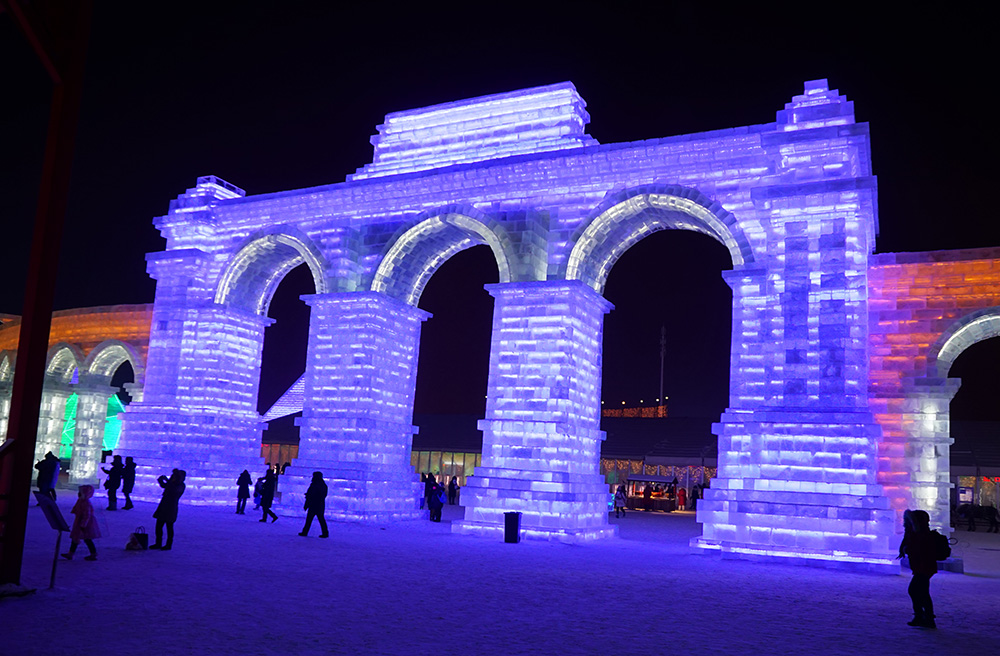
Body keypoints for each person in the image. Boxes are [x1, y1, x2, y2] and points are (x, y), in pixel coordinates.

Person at [901, 509, 938, 628]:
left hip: (924, 567)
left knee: (915, 590)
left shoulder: (920, 535)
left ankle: (924, 617)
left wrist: (907, 549)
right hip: (923, 567)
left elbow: (918, 550)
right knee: (921, 592)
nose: (904, 524)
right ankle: (925, 617)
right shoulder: (918, 533)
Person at [61, 485, 100, 561]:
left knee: (87, 539)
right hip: (79, 522)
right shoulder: (81, 501)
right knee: (75, 538)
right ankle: (71, 553)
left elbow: (87, 515)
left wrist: (83, 524)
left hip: (85, 524)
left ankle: (93, 553)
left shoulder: (86, 503)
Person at [150, 469, 186, 550]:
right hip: (166, 506)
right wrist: (162, 480)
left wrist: (166, 481)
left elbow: (172, 489)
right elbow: (165, 486)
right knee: (159, 526)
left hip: (170, 507)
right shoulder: (176, 484)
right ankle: (159, 543)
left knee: (169, 527)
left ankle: (168, 545)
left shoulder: (180, 485)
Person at [299, 471, 329, 538]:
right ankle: (325, 533)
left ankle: (305, 532)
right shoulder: (323, 485)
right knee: (320, 519)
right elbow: (323, 495)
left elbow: (312, 494)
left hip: (313, 504)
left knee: (310, 519)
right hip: (319, 505)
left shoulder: (314, 484)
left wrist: (308, 499)